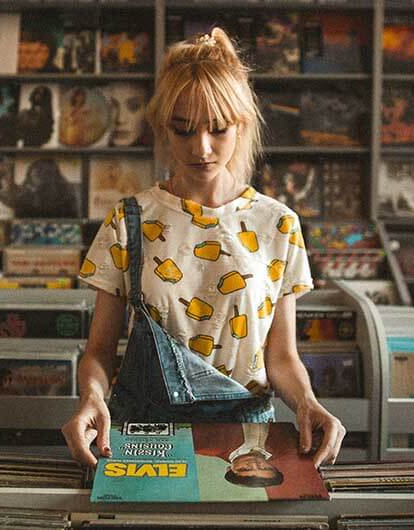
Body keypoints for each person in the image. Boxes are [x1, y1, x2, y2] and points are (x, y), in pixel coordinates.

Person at [61, 28, 344, 469]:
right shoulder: (129, 220)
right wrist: (91, 399)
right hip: (147, 436)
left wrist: (307, 402)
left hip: (247, 439)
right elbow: (99, 350)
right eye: (184, 130)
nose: (202, 148)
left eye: (218, 129)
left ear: (242, 123)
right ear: (162, 128)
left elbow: (282, 356)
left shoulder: (278, 225)